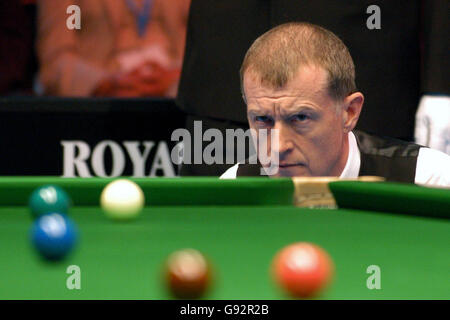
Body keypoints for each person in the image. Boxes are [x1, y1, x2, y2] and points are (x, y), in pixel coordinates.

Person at [177, 0, 449, 177]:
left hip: (364, 48)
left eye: (300, 119)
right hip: (216, 81)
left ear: (351, 111)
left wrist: (442, 81)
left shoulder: (429, 174)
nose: (278, 146)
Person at [37, 0, 190, 97]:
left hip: (176, 90)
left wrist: (178, 78)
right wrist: (103, 84)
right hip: (100, 89)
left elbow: (208, 53)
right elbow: (56, 59)